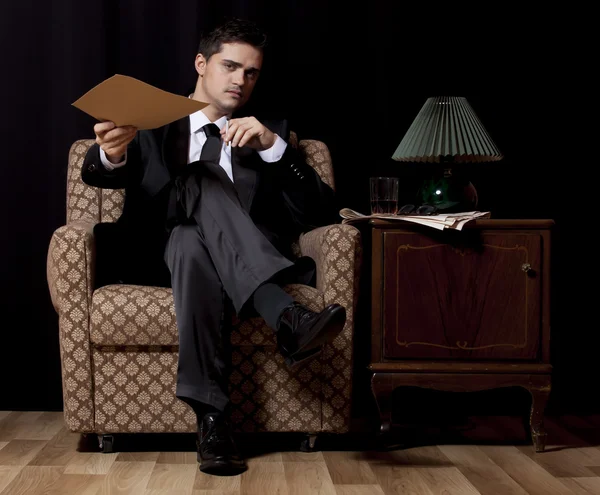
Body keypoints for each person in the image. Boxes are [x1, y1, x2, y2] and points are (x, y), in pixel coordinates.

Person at [81, 18, 346, 476]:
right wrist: (112, 152)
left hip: (219, 263)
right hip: (152, 259)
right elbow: (100, 172)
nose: (241, 81)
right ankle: (284, 314)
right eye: (230, 66)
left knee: (191, 242)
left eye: (251, 72)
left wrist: (273, 148)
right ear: (201, 64)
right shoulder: (152, 124)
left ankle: (213, 420)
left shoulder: (269, 132)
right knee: (200, 178)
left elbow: (322, 212)